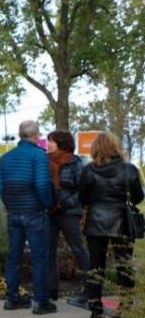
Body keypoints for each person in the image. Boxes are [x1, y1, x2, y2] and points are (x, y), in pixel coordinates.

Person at [78, 132, 144, 318]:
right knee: (124, 266)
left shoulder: (89, 170)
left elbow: (83, 199)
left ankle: (95, 311)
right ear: (116, 147)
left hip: (96, 223)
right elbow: (139, 197)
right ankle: (124, 308)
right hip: (122, 222)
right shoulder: (129, 169)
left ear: (95, 148)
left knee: (96, 267)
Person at [0, 120, 56, 314]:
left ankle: (12, 298)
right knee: (39, 256)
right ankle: (41, 301)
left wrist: (10, 204)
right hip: (34, 213)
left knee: (13, 256)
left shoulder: (6, 158)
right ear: (36, 135)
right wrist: (48, 204)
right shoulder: (38, 156)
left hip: (13, 214)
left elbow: (1, 186)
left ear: (20, 134)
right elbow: (42, 184)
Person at [45, 131, 90, 307]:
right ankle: (51, 290)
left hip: (69, 212)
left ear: (62, 144)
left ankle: (89, 288)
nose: (48, 144)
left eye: (51, 141)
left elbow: (82, 190)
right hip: (50, 212)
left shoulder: (75, 163)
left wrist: (66, 203)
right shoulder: (45, 161)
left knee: (78, 249)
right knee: (49, 251)